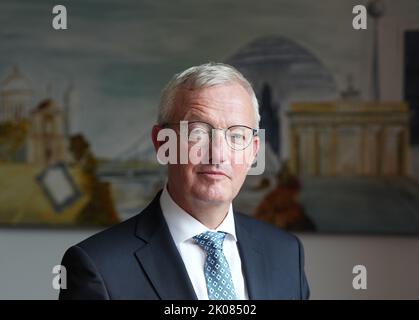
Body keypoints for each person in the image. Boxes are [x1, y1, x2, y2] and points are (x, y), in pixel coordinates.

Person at [59, 62, 310, 300]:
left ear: (254, 151)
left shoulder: (286, 254)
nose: (218, 153)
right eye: (198, 132)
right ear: (162, 143)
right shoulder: (97, 266)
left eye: (236, 135)